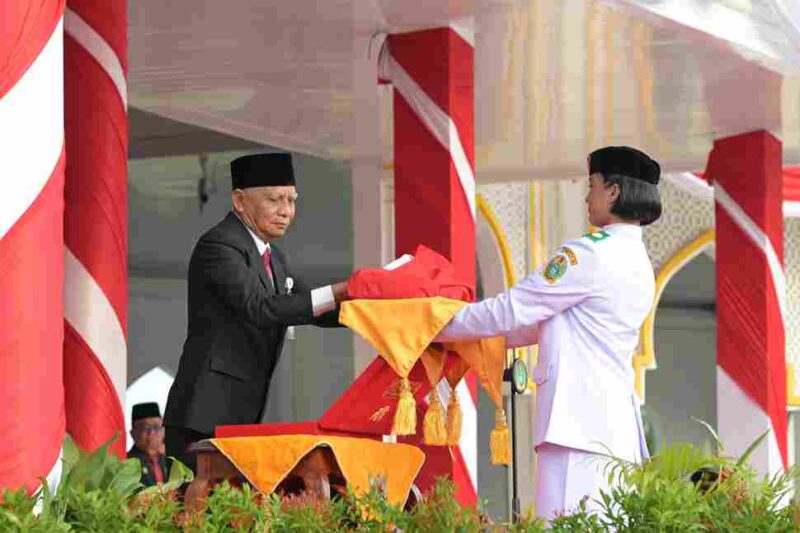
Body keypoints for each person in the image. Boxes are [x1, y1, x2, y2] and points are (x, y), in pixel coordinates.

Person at [434, 146, 662, 520]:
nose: (587, 196)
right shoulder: (637, 261)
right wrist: (456, 335)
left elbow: (512, 308)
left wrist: (433, 325)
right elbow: (535, 324)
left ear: (614, 192)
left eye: (593, 185)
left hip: (577, 431)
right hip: (610, 432)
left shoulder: (589, 255)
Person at [164, 152, 349, 472]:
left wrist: (372, 309)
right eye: (275, 200)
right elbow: (260, 308)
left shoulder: (273, 257)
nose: (286, 212)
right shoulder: (219, 246)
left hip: (239, 414)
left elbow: (309, 307)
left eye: (291, 200)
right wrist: (340, 289)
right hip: (203, 416)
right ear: (239, 200)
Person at [128, 402, 170, 487]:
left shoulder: (171, 459)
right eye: (145, 427)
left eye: (156, 427)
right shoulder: (127, 462)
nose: (151, 432)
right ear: (133, 433)